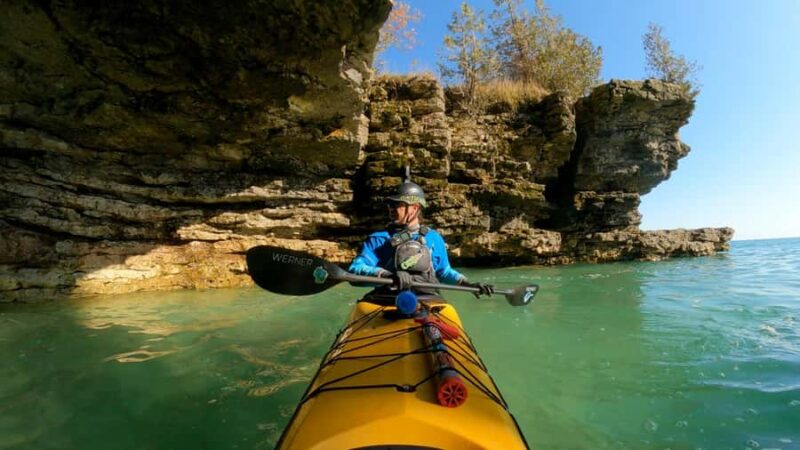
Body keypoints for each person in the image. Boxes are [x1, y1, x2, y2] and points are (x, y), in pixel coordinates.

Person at [348, 178, 494, 301]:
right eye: (390, 205)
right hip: (387, 300)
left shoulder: (434, 238)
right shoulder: (379, 239)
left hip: (427, 300)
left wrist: (467, 284)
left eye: (397, 205)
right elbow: (355, 270)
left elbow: (443, 271)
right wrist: (387, 274)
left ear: (415, 208)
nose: (391, 209)